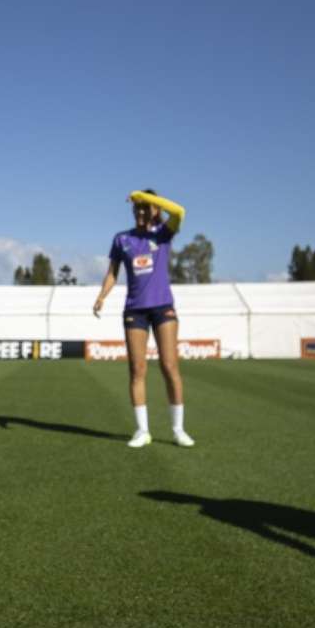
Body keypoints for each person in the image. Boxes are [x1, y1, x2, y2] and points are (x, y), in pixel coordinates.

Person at [93, 190, 195, 448]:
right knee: (137, 370)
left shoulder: (163, 233)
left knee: (169, 366)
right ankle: (142, 431)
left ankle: (178, 430)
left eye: (145, 208)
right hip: (135, 310)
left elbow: (179, 212)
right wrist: (102, 296)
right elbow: (112, 273)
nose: (140, 211)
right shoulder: (121, 239)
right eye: (137, 207)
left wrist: (146, 197)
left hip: (163, 308)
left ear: (155, 210)